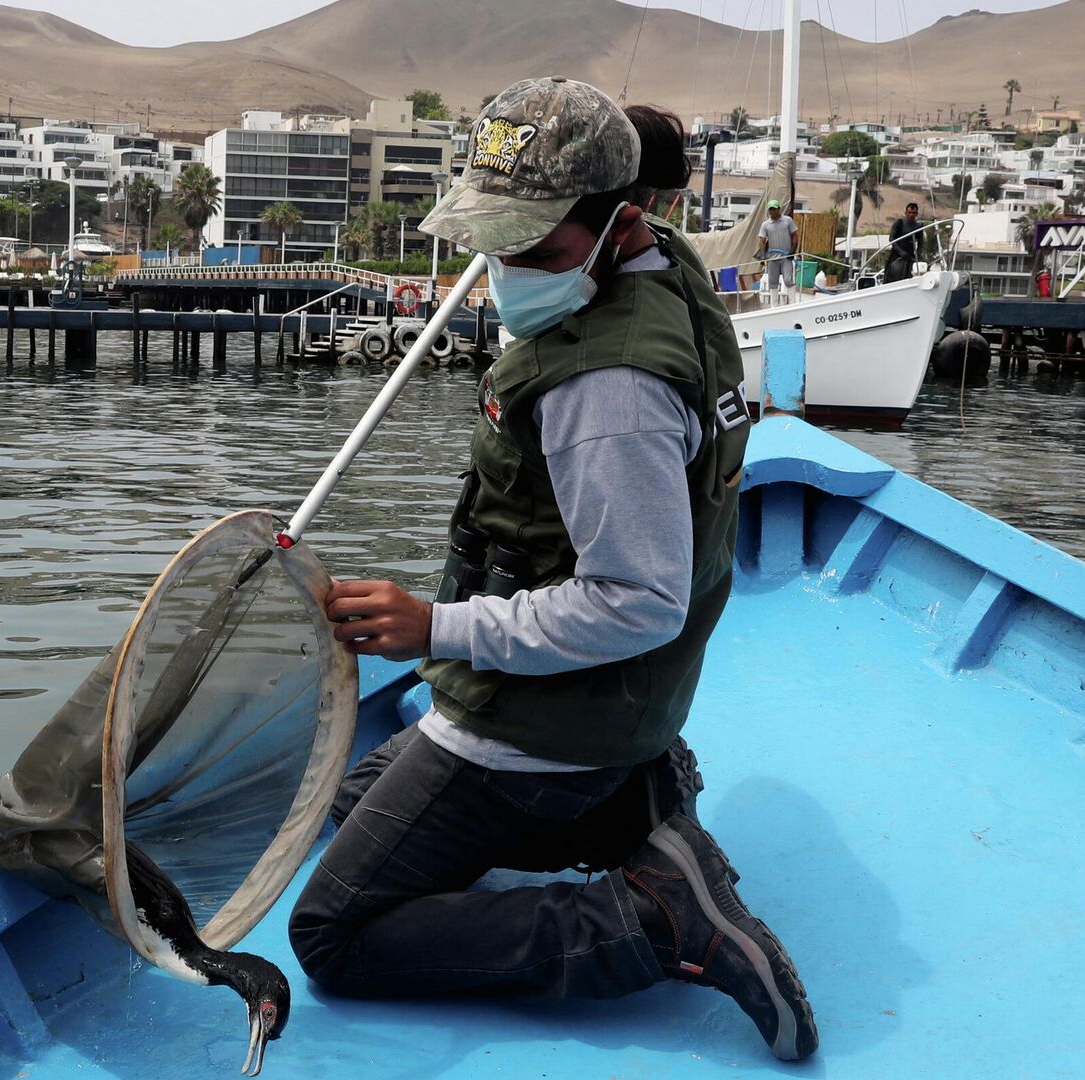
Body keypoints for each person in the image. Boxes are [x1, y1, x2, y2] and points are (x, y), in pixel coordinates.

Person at [287, 78, 818, 1063]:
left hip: (537, 727)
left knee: (332, 930)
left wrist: (432, 629)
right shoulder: (666, 264)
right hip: (613, 713)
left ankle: (648, 921)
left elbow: (639, 600)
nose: (507, 263)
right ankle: (641, 806)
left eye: (536, 241)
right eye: (494, 233)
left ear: (618, 224)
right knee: (357, 803)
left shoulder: (606, 387)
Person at [757, 199, 799, 291]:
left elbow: (794, 235)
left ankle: (793, 303)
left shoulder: (787, 220)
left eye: (774, 209)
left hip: (786, 256)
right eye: (770, 209)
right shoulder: (766, 224)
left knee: (788, 280)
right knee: (772, 282)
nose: (772, 211)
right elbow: (762, 240)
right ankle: (774, 305)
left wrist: (793, 249)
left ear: (779, 209)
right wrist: (763, 254)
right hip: (772, 257)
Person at [886, 202, 924, 283]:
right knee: (892, 275)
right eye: (909, 212)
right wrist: (900, 252)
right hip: (896, 255)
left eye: (913, 213)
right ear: (906, 213)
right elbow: (891, 239)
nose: (911, 215)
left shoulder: (918, 226)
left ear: (917, 214)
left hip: (910, 256)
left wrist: (917, 255)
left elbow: (920, 243)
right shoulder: (899, 223)